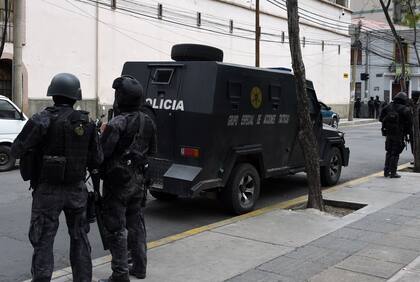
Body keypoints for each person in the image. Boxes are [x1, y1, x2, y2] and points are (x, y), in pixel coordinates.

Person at [11, 73, 103, 282]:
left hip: (47, 191)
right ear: (75, 97)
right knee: (80, 240)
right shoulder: (87, 123)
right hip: (77, 191)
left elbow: (17, 149)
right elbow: (97, 159)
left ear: (53, 94)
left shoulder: (42, 118)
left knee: (43, 242)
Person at [99, 75, 157, 282]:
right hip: (139, 181)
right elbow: (152, 151)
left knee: (117, 229)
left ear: (121, 97)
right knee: (137, 226)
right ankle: (139, 268)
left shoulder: (117, 123)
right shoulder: (148, 121)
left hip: (118, 184)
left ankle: (120, 274)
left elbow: (101, 155)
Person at [379, 92, 412, 178]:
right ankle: (393, 172)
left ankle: (386, 171)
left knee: (389, 152)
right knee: (395, 153)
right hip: (399, 134)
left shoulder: (388, 107)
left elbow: (381, 119)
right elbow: (409, 124)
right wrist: (408, 134)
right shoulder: (405, 109)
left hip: (389, 133)